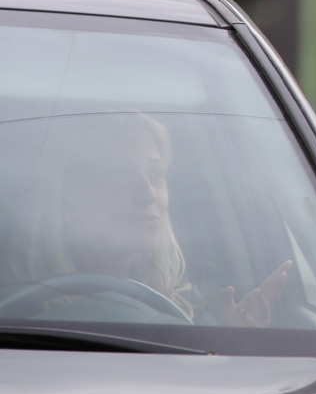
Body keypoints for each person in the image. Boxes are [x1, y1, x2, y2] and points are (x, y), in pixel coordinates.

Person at [1, 112, 290, 327]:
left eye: (156, 174)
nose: (147, 194)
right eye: (117, 175)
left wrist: (228, 340)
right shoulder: (14, 314)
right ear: (65, 199)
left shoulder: (193, 308)